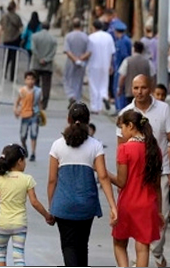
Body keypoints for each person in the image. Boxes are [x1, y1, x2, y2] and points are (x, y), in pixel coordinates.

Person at [117, 74, 170, 268]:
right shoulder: (126, 112)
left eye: (143, 87)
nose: (139, 92)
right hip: (134, 176)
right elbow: (121, 147)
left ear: (150, 87)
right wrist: (122, 179)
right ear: (131, 89)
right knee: (140, 229)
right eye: (136, 88)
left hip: (159, 173)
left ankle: (157, 253)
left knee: (160, 218)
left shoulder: (163, 109)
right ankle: (143, 259)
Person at [48, 102, 118, 266]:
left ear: (68, 119)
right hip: (86, 206)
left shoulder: (57, 145)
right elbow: (103, 176)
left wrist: (52, 207)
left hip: (63, 206)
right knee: (82, 245)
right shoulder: (95, 145)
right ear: (88, 120)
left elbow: (52, 179)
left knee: (69, 246)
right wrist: (113, 206)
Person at [108, 110, 164, 267]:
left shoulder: (125, 149)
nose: (122, 132)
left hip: (128, 204)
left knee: (119, 244)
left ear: (130, 126)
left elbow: (121, 181)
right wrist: (159, 210)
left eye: (122, 128)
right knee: (142, 248)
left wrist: (103, 172)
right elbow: (157, 185)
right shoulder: (155, 150)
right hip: (148, 205)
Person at [0, 144, 54, 267]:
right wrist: (47, 215)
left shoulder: (0, 178)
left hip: (3, 223)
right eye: (25, 160)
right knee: (18, 256)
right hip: (19, 223)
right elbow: (34, 202)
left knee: (0, 253)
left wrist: (1, 194)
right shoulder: (27, 179)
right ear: (19, 161)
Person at [87, 20, 116, 114]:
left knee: (94, 85)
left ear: (94, 27)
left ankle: (95, 107)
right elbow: (112, 52)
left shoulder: (91, 37)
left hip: (93, 64)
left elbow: (88, 52)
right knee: (104, 83)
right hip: (105, 64)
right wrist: (111, 65)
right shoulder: (108, 37)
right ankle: (104, 96)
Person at [117, 41, 153, 110]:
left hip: (130, 92)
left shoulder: (127, 61)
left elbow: (122, 77)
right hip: (145, 93)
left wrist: (120, 89)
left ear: (133, 49)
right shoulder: (148, 62)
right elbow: (153, 77)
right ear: (142, 50)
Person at [15, 72, 42, 162]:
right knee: (23, 135)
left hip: (34, 114)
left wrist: (40, 114)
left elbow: (39, 103)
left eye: (32, 79)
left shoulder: (37, 91)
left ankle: (33, 153)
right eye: (28, 79)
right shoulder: (22, 91)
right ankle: (25, 147)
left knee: (34, 134)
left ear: (34, 80)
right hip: (24, 115)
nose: (30, 81)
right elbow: (17, 101)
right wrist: (16, 110)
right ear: (25, 80)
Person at [63, 18, 90, 107]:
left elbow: (67, 51)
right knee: (79, 80)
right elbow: (89, 51)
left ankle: (71, 96)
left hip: (71, 62)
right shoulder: (85, 36)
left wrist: (75, 59)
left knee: (68, 79)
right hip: (82, 62)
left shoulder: (69, 36)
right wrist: (80, 59)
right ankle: (77, 99)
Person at [30, 21, 57, 109]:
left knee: (35, 83)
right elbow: (53, 52)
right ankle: (44, 103)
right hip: (47, 66)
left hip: (36, 64)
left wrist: (39, 59)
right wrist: (46, 59)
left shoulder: (35, 36)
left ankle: (35, 101)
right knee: (46, 85)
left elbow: (33, 49)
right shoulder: (53, 39)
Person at [0, 1, 24, 83]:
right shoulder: (17, 17)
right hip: (15, 39)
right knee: (14, 58)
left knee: (6, 57)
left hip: (6, 39)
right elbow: (21, 28)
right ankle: (12, 76)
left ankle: (4, 72)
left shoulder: (4, 16)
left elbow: (0, 28)